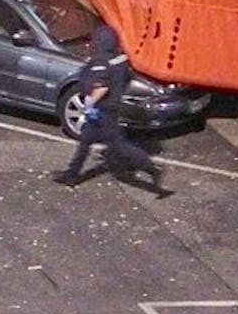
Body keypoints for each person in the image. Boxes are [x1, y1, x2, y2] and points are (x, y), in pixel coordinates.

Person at [54, 25, 170, 195]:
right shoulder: (120, 58)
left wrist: (89, 101)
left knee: (119, 145)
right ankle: (71, 175)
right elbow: (127, 77)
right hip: (111, 107)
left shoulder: (100, 61)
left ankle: (152, 169)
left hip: (102, 109)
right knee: (85, 141)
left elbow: (101, 87)